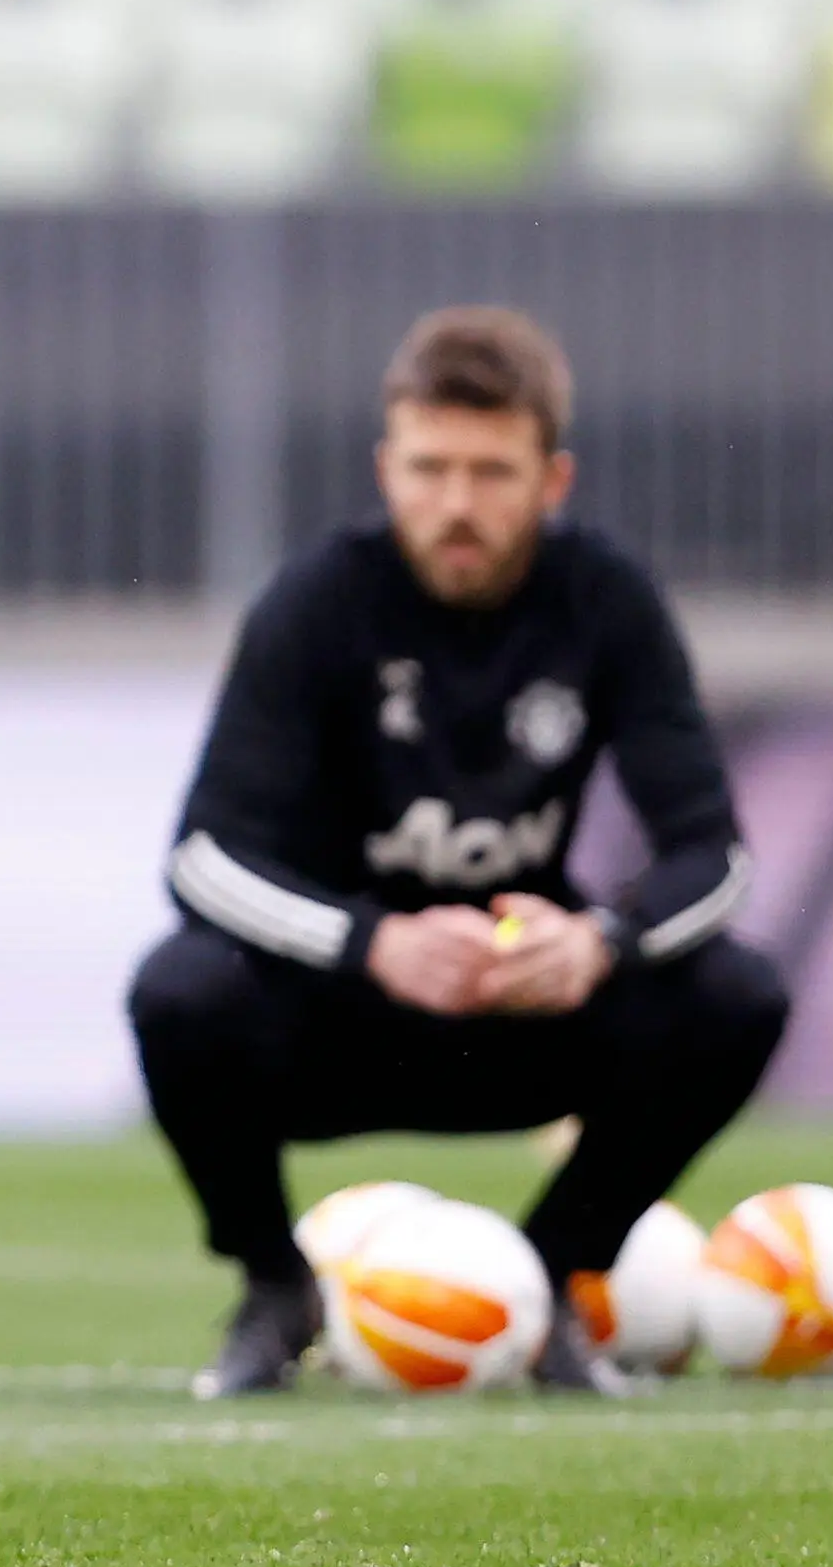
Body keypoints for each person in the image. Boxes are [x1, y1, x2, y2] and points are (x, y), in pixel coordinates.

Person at [130, 305, 787, 1399]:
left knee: (739, 995)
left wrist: (600, 941)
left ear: (552, 480)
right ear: (385, 469)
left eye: (491, 472)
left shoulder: (606, 601)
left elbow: (712, 857)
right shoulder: (317, 600)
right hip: (342, 1015)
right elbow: (203, 858)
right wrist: (373, 944)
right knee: (179, 991)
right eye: (429, 468)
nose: (456, 503)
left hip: (523, 1013)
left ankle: (546, 1281)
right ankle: (273, 1288)